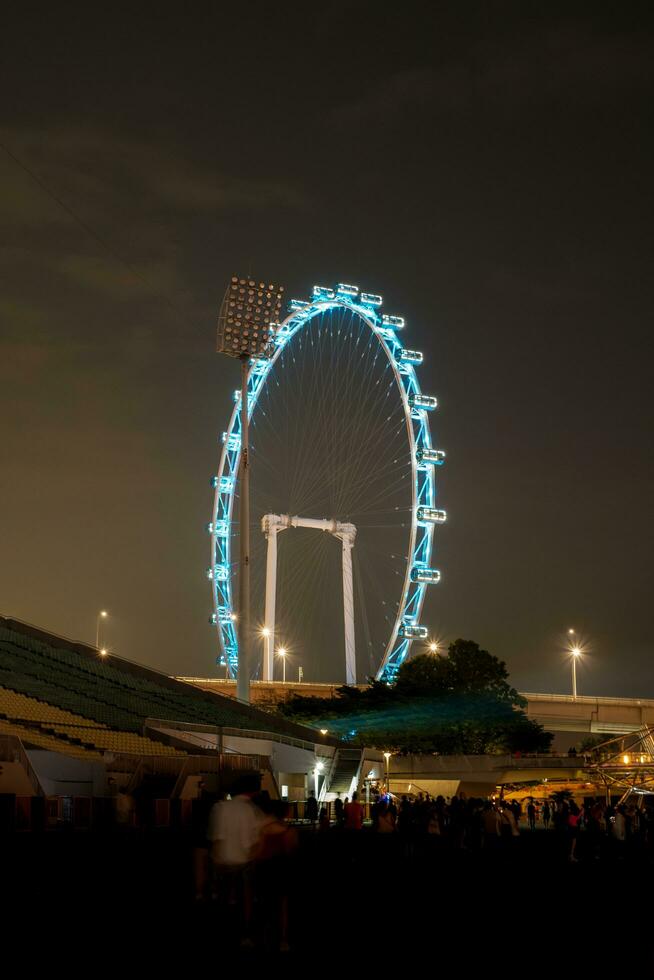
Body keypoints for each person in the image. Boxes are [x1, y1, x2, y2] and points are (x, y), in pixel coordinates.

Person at [207, 774, 262, 944]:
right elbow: (255, 841)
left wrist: (215, 861)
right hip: (243, 861)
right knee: (245, 900)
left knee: (224, 900)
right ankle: (245, 934)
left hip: (224, 861)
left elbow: (216, 838)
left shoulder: (221, 807)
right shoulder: (251, 810)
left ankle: (224, 933)